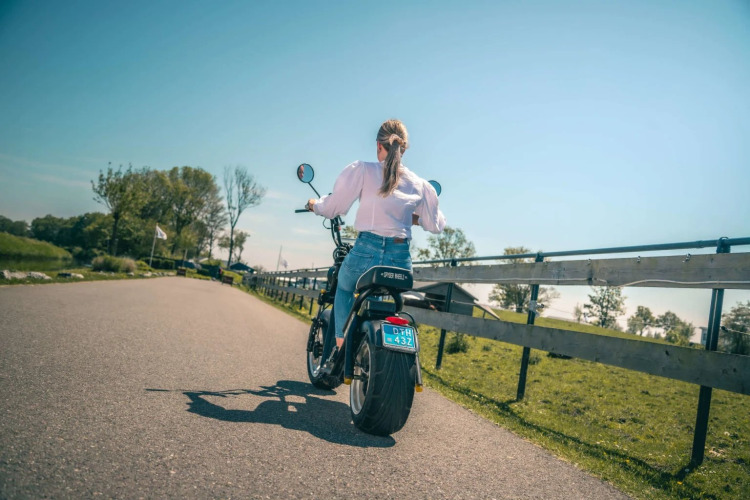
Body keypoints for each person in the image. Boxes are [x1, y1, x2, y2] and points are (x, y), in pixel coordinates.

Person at [306, 119, 446, 350]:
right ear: (403, 149)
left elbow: (333, 207)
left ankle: (340, 345)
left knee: (344, 286)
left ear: (379, 145)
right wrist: (414, 218)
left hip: (365, 253)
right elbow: (435, 225)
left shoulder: (363, 170)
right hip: (400, 261)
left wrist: (314, 205)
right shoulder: (420, 185)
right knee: (381, 288)